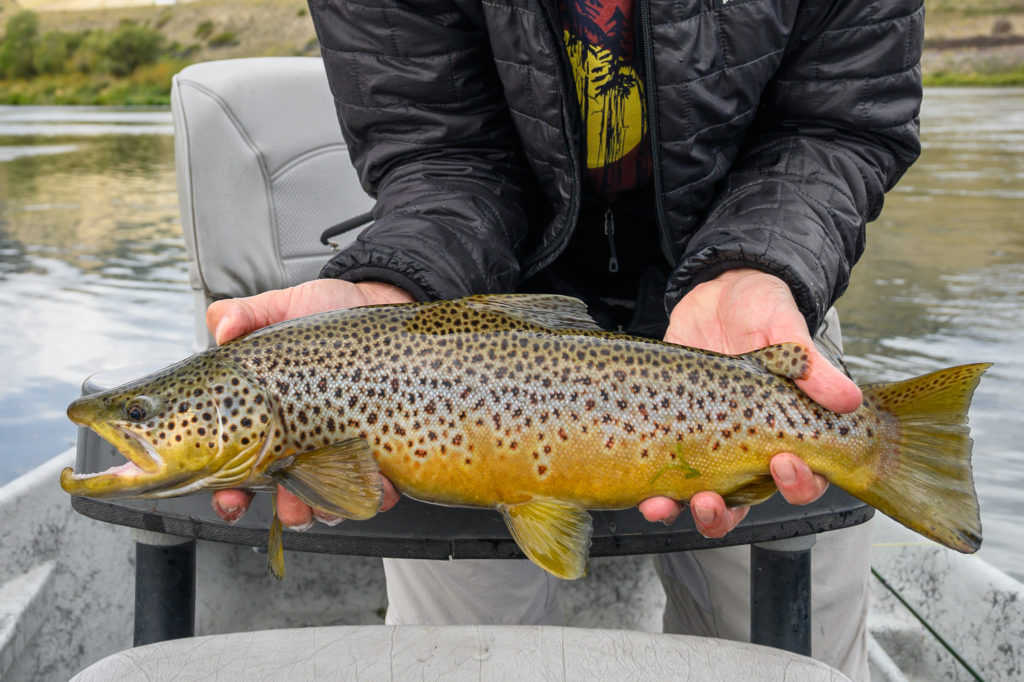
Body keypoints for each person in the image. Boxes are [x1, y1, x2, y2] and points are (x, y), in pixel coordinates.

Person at [206, 2, 923, 679]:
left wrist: (760, 267)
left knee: (795, 659)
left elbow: (838, 125)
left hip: (753, 311)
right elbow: (440, 153)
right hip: (466, 337)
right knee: (461, 661)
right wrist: (396, 290)